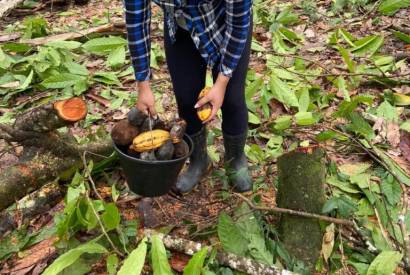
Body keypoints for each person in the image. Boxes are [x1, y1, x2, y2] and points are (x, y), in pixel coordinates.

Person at [124, 0, 253, 193]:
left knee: (232, 100)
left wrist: (221, 82)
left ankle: (236, 160)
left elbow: (239, 20)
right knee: (186, 99)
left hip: (226, 25)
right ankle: (199, 162)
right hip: (181, 28)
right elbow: (136, 20)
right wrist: (143, 84)